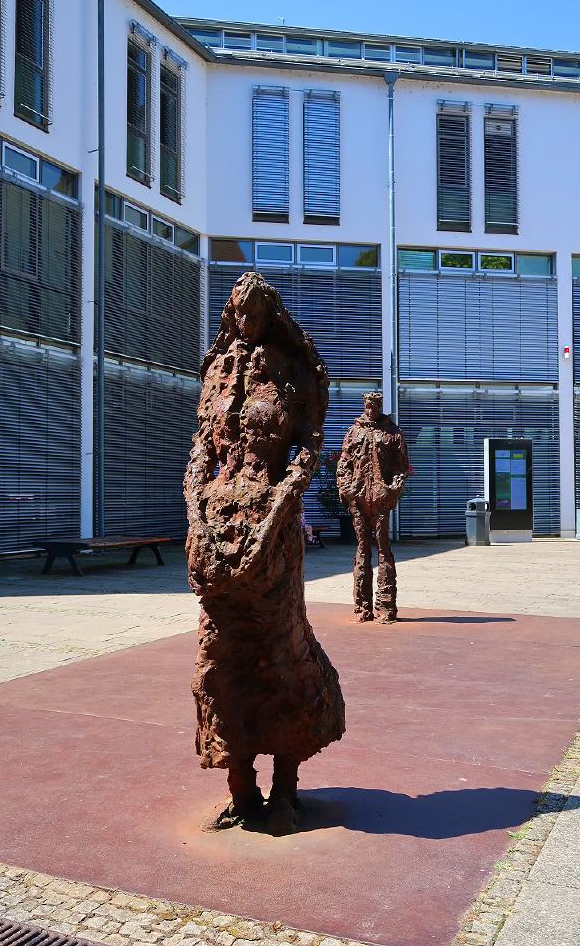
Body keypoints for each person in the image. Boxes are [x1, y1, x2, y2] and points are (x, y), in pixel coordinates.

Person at [184, 272, 345, 836]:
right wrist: (197, 514)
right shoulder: (217, 371)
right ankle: (239, 786)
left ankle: (285, 788)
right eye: (238, 311)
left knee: (283, 652)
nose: (245, 321)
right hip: (215, 535)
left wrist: (275, 515)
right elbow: (199, 454)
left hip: (272, 536)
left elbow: (307, 454)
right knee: (218, 657)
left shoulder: (294, 370)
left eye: (255, 312)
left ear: (270, 314)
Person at [336, 391, 410, 623]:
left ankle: (386, 606)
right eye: (368, 406)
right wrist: (347, 489)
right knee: (362, 549)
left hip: (380, 498)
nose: (371, 410)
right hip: (358, 498)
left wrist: (392, 489)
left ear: (380, 406)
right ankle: (362, 606)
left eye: (375, 406)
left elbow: (402, 467)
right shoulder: (354, 431)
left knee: (383, 549)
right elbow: (343, 464)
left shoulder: (392, 432)